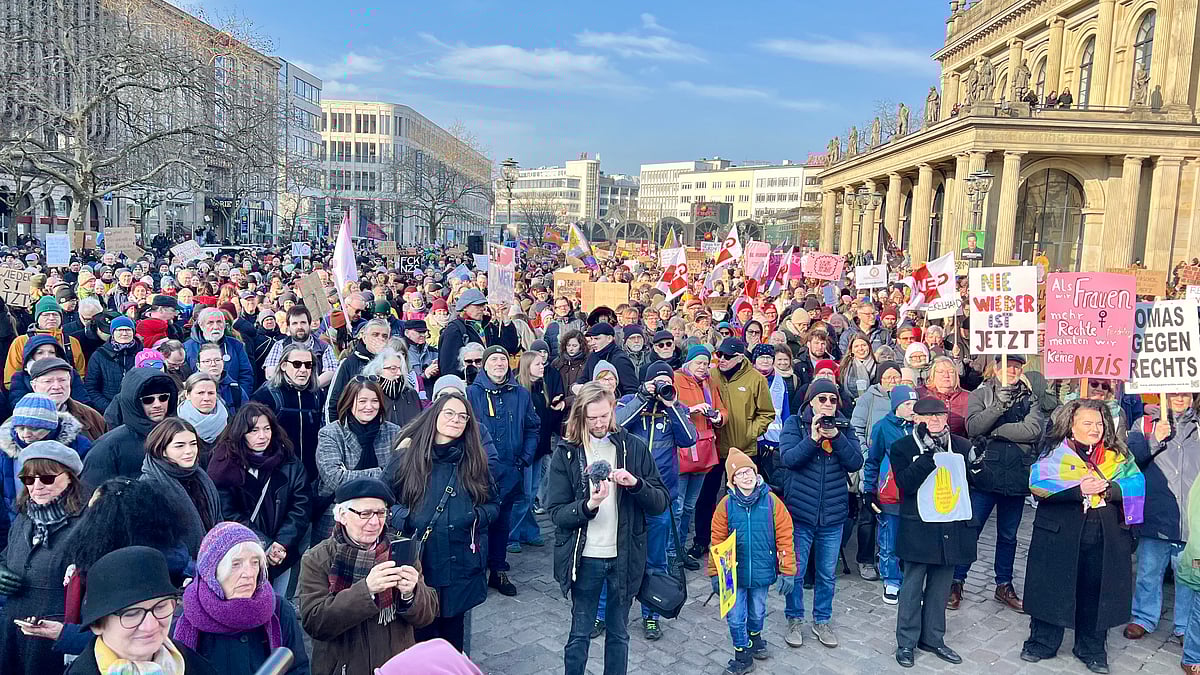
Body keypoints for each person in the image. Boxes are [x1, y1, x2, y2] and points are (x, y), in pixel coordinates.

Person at [546, 382, 670, 675]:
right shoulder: (567, 452)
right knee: (579, 634)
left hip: (624, 556)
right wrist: (589, 505)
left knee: (619, 635)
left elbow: (660, 502)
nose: (600, 423)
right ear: (580, 416)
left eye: (605, 415)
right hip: (585, 558)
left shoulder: (633, 447)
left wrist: (636, 484)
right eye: (593, 418)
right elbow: (556, 514)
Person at [1021, 399, 1145, 673]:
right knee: (1052, 586)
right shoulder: (1055, 453)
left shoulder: (1118, 456)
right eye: (1087, 423)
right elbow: (1037, 485)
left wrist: (1109, 489)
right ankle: (1042, 642)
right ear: (1071, 426)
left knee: (1096, 591)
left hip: (1103, 534)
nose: (1095, 429)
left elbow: (1136, 483)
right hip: (1060, 532)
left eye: (1099, 423)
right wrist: (1079, 489)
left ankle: (1091, 648)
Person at [389, 393, 499, 652]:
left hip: (459, 562)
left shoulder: (474, 461)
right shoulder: (407, 457)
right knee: (420, 635)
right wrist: (407, 518)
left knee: (452, 638)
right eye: (449, 413)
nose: (456, 420)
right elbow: (383, 500)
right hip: (421, 561)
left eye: (462, 416)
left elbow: (494, 505)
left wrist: (474, 517)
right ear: (435, 415)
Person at [298, 477, 437, 673]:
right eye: (365, 514)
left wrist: (411, 594)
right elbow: (315, 623)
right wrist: (367, 590)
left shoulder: (401, 550)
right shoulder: (317, 558)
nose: (374, 522)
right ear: (342, 516)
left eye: (380, 513)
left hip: (396, 668)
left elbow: (427, 616)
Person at [604, 360, 697, 641]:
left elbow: (689, 439)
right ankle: (603, 613)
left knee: (656, 561)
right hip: (627, 494)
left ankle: (652, 614)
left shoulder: (676, 409)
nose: (661, 386)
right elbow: (615, 427)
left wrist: (671, 406)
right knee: (613, 557)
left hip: (659, 497)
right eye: (656, 381)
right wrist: (643, 397)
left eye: (666, 382)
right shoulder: (629, 402)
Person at [952, 354, 1045, 612]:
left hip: (1016, 477)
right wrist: (998, 407)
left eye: (1016, 367)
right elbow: (973, 427)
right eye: (1007, 366)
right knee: (971, 530)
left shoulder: (1029, 398)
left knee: (1008, 536)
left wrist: (994, 431)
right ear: (996, 369)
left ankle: (1004, 584)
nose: (1012, 371)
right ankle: (956, 580)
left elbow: (1033, 431)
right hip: (985, 474)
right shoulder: (980, 394)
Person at [890, 398, 975, 668]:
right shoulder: (902, 447)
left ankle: (933, 638)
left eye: (940, 415)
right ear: (916, 419)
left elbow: (978, 482)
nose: (935, 421)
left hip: (950, 526)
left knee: (940, 588)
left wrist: (978, 464)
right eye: (928, 417)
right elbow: (905, 484)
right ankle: (906, 642)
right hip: (918, 527)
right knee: (912, 588)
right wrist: (928, 457)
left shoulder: (961, 446)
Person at [778, 379, 864, 649]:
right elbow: (788, 459)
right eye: (822, 399)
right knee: (796, 572)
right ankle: (794, 619)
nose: (828, 404)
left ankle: (822, 620)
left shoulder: (844, 427)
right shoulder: (794, 424)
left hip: (833, 515)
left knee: (827, 574)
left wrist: (836, 437)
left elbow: (856, 462)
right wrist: (813, 439)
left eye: (833, 399)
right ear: (811, 402)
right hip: (801, 513)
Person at [172, 522, 310, 675]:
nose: (249, 574)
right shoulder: (185, 619)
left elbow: (299, 670)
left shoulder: (278, 610)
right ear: (211, 571)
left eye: (255, 562)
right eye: (236, 564)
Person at [0, 441, 88, 673]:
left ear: (70, 478)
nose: (37, 486)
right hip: (12, 631)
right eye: (29, 479)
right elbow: (7, 556)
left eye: (47, 478)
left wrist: (70, 633)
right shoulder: (24, 516)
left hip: (53, 638)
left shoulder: (87, 523)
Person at [708, 448, 796, 674]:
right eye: (739, 474)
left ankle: (755, 637)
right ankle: (742, 655)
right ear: (732, 481)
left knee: (757, 611)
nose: (746, 476)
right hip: (732, 574)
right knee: (736, 617)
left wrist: (788, 570)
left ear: (756, 473)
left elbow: (785, 536)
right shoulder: (725, 506)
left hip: (761, 570)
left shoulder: (772, 502)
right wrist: (715, 573)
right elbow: (717, 541)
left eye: (749, 471)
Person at [64, 546, 217, 674]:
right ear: (97, 625)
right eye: (132, 614)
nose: (150, 626)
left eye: (160, 607)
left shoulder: (196, 666)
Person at [207, 403, 309, 594]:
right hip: (242, 553)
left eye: (267, 429)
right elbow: (227, 513)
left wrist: (281, 543)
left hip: (282, 552)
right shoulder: (224, 463)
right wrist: (264, 544)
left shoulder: (288, 460)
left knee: (278, 603)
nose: (262, 436)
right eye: (254, 431)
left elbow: (301, 505)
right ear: (241, 433)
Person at [1124, 392, 1200, 642]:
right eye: (1174, 391)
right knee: (1148, 570)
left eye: (1185, 393)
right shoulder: (1145, 424)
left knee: (1188, 576)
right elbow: (1130, 460)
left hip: (1190, 518)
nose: (1179, 397)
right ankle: (1143, 617)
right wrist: (1155, 439)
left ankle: (1185, 625)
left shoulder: (1198, 427)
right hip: (1155, 514)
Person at [692, 337, 774, 565]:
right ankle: (701, 540)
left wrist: (750, 432)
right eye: (719, 355)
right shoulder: (711, 376)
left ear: (740, 357)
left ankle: (741, 545)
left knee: (743, 498)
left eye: (727, 356)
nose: (722, 359)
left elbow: (767, 413)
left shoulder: (756, 379)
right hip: (713, 447)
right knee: (706, 496)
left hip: (743, 449)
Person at [466, 344, 540, 596]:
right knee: (477, 523)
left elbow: (532, 427)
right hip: (478, 472)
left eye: (503, 359)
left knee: (502, 521)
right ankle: (477, 571)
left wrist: (524, 460)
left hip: (510, 470)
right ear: (484, 365)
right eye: (493, 359)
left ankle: (498, 569)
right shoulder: (471, 394)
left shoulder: (521, 394)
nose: (499, 364)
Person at [314, 377, 402, 538]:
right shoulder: (331, 433)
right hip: (337, 514)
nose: (369, 406)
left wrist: (350, 474)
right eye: (362, 401)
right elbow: (335, 479)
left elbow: (400, 475)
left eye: (374, 401)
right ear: (349, 401)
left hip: (382, 515)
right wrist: (383, 472)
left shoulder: (393, 432)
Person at [672, 345, 725, 571]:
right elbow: (670, 408)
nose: (703, 367)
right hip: (683, 451)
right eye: (698, 363)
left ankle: (681, 550)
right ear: (689, 363)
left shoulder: (709, 383)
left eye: (706, 363)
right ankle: (672, 552)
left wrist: (719, 417)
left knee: (689, 505)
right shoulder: (676, 379)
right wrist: (692, 409)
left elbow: (722, 410)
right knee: (677, 506)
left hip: (704, 451)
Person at [864, 385, 918, 604]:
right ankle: (891, 580)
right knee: (889, 539)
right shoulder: (882, 428)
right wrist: (869, 490)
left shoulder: (919, 426)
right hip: (890, 493)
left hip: (915, 494)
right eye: (907, 404)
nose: (912, 408)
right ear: (896, 406)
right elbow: (873, 460)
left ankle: (911, 582)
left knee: (913, 540)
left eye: (915, 404)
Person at [139, 417, 222, 557]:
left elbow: (218, 519)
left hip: (213, 557)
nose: (189, 451)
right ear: (162, 450)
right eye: (179, 446)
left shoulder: (200, 477)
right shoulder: (149, 487)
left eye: (193, 444)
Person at [81, 367, 179, 485]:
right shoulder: (107, 448)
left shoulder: (182, 434)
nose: (157, 405)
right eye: (148, 400)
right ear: (133, 402)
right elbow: (92, 492)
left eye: (163, 397)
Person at [511, 346, 564, 548]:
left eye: (543, 363)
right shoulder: (519, 391)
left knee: (531, 494)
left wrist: (557, 409)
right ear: (527, 366)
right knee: (523, 495)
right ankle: (512, 536)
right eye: (538, 364)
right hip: (525, 451)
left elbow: (544, 420)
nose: (543, 366)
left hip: (540, 449)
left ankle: (528, 532)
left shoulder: (541, 388)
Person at [252, 343, 323, 492]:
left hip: (311, 477)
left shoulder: (317, 395)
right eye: (297, 364)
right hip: (277, 477)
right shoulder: (266, 395)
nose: (303, 369)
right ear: (284, 365)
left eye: (308, 365)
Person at [325, 317, 393, 423]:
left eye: (384, 336)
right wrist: (334, 430)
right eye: (375, 334)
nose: (380, 339)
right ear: (364, 338)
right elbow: (333, 402)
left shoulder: (393, 364)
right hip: (354, 427)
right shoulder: (349, 363)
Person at [28, 356, 106, 441]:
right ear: (34, 386)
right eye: (48, 381)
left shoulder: (92, 417)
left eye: (62, 380)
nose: (57, 386)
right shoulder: (21, 419)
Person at [183, 306, 254, 395]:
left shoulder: (236, 345)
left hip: (232, 399)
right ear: (201, 325)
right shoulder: (187, 348)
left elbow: (246, 374)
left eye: (219, 322)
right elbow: (184, 378)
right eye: (210, 323)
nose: (216, 327)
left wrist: (241, 396)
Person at [262, 305, 337, 389]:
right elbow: (270, 372)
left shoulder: (324, 347)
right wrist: (290, 386)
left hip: (315, 393)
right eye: (294, 323)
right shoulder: (280, 345)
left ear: (309, 324)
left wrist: (309, 386)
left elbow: (331, 371)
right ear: (288, 327)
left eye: (303, 322)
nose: (299, 327)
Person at [84, 315, 141, 412]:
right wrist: (110, 409)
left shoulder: (142, 354)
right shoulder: (99, 355)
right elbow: (91, 387)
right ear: (112, 332)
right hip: (109, 409)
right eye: (120, 330)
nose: (124, 333)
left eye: (128, 330)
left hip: (138, 409)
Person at [362, 342, 423, 428]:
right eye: (393, 369)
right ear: (378, 370)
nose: (399, 373)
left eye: (401, 369)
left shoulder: (411, 394)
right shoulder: (370, 396)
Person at [578, 322, 638, 396]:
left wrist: (620, 402)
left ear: (609, 338)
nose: (592, 343)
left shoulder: (620, 360)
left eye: (597, 339)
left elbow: (632, 390)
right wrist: (575, 387)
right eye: (591, 339)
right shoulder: (592, 356)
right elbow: (583, 380)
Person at [177, 373, 228, 457]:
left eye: (211, 393)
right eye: (200, 393)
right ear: (187, 395)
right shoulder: (176, 423)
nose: (206, 398)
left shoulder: (228, 419)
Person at [916, 357, 969, 437]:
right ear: (932, 375)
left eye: (951, 372)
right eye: (941, 372)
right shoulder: (920, 393)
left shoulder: (968, 397)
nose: (946, 375)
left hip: (959, 442)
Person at [195, 341, 247, 413]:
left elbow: (246, 415)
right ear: (198, 366)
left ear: (223, 362)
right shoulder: (191, 389)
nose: (213, 364)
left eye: (217, 360)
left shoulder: (235, 389)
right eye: (207, 361)